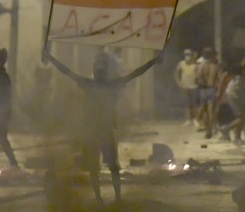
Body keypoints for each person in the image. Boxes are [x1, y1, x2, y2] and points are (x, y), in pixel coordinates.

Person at [42, 43, 163, 203]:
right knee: (98, 166)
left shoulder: (102, 85)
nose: (99, 72)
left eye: (101, 69)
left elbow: (136, 73)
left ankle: (114, 198)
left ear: (104, 71)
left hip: (102, 130)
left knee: (109, 166)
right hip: (96, 130)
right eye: (97, 69)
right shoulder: (97, 84)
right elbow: (66, 71)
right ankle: (104, 198)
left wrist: (153, 61)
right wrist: (50, 57)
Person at [196, 48, 221, 138]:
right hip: (212, 89)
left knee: (205, 111)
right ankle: (212, 129)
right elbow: (219, 79)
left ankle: (207, 131)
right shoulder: (215, 66)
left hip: (203, 90)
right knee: (211, 111)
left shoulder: (201, 66)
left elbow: (198, 79)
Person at [174, 48, 200, 126]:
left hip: (194, 86)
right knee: (187, 104)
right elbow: (176, 73)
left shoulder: (196, 64)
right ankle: (188, 119)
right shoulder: (181, 64)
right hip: (184, 86)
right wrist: (179, 82)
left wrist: (198, 82)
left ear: (192, 55)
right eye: (186, 54)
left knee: (194, 103)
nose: (187, 56)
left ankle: (195, 119)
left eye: (189, 54)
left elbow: (199, 74)